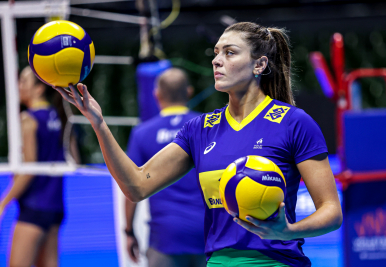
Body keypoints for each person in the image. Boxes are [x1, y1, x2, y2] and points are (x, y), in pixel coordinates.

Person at [54, 22, 342, 267]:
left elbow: (331, 211)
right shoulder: (199, 129)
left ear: (260, 64)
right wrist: (98, 123)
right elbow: (137, 186)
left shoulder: (294, 122)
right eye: (216, 53)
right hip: (217, 262)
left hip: (277, 261)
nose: (217, 60)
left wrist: (286, 231)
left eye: (230, 53)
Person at [124, 68, 206, 267]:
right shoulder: (209, 126)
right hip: (207, 233)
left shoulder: (142, 133)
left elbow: (130, 187)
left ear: (157, 95)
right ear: (189, 91)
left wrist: (129, 231)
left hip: (165, 237)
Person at [0, 66, 79, 267]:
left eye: (23, 82)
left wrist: (2, 204)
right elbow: (75, 161)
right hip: (56, 208)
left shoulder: (28, 119)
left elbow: (28, 172)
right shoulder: (61, 116)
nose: (18, 86)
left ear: (39, 89)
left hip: (33, 209)